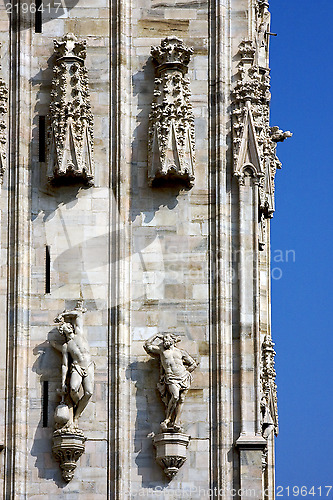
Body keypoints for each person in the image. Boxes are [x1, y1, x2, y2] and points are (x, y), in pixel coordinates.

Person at [52, 300, 94, 428]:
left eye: (69, 325)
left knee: (89, 393)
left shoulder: (79, 333)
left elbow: (78, 315)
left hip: (88, 365)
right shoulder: (66, 346)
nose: (69, 326)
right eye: (65, 326)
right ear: (62, 331)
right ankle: (76, 405)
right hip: (76, 366)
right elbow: (64, 365)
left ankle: (76, 415)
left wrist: (63, 316)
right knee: (74, 389)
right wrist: (63, 382)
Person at [144, 333, 198, 431]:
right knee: (175, 396)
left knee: (181, 399)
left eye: (167, 338)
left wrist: (186, 373)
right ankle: (167, 419)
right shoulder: (161, 351)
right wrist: (156, 336)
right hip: (171, 377)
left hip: (183, 376)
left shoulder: (181, 352)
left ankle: (176, 422)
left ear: (173, 340)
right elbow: (147, 346)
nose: (165, 340)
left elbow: (193, 364)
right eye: (163, 339)